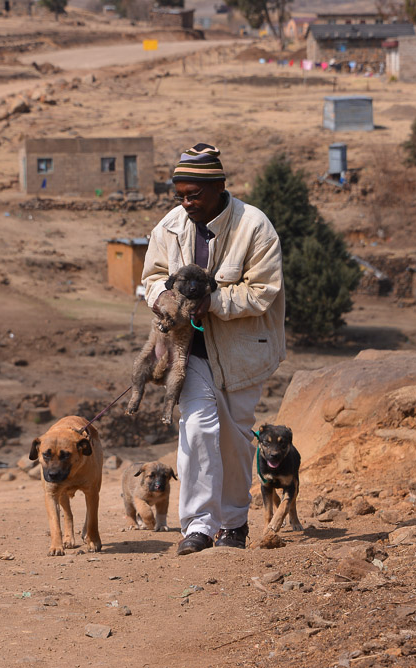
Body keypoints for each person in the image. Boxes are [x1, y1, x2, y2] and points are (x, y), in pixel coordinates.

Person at [140, 143, 285, 555]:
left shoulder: (254, 227)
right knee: (197, 429)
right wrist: (164, 299)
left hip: (241, 351)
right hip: (189, 352)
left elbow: (262, 291)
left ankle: (234, 524)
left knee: (235, 440)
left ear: (219, 187)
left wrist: (214, 302)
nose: (186, 203)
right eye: (180, 196)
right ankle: (200, 526)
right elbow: (151, 278)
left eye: (194, 195)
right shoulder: (170, 227)